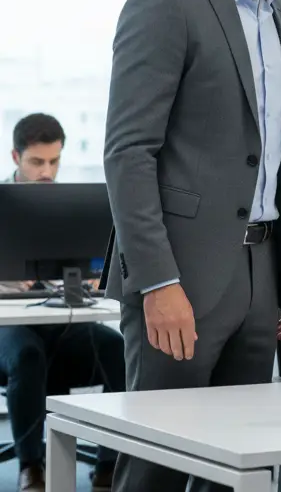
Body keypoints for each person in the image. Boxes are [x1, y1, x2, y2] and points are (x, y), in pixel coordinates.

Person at [103, 0, 281, 492]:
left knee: (239, 469)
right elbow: (128, 153)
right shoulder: (166, 2)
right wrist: (157, 280)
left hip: (261, 276)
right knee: (157, 471)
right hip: (183, 281)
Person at [0, 114, 126, 492]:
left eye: (54, 161)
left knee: (117, 350)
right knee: (26, 355)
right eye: (37, 162)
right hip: (9, 333)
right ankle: (31, 467)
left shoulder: (66, 205)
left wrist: (91, 274)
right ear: (15, 156)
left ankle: (109, 466)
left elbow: (93, 268)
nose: (46, 172)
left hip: (64, 326)